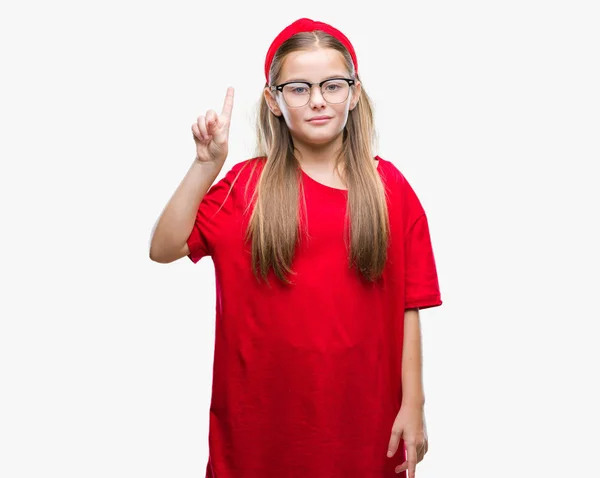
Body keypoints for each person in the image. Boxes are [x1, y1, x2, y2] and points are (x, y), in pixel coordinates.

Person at [149, 17, 442, 478]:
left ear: (355, 91)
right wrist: (206, 165)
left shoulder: (391, 190)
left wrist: (415, 403)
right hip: (259, 431)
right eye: (299, 89)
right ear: (274, 100)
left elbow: (410, 306)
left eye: (333, 85)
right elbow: (164, 246)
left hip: (363, 426)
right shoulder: (245, 187)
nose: (319, 100)